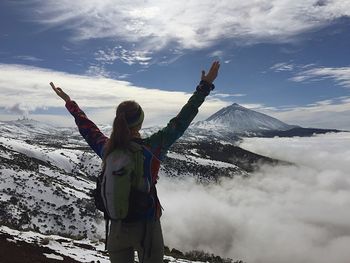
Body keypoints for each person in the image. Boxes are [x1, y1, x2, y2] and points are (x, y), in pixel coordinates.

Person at [50, 61, 220, 263]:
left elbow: (87, 126)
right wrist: (204, 87)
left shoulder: (108, 148)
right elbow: (181, 120)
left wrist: (69, 102)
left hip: (117, 227)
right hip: (147, 227)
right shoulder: (153, 147)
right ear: (140, 122)